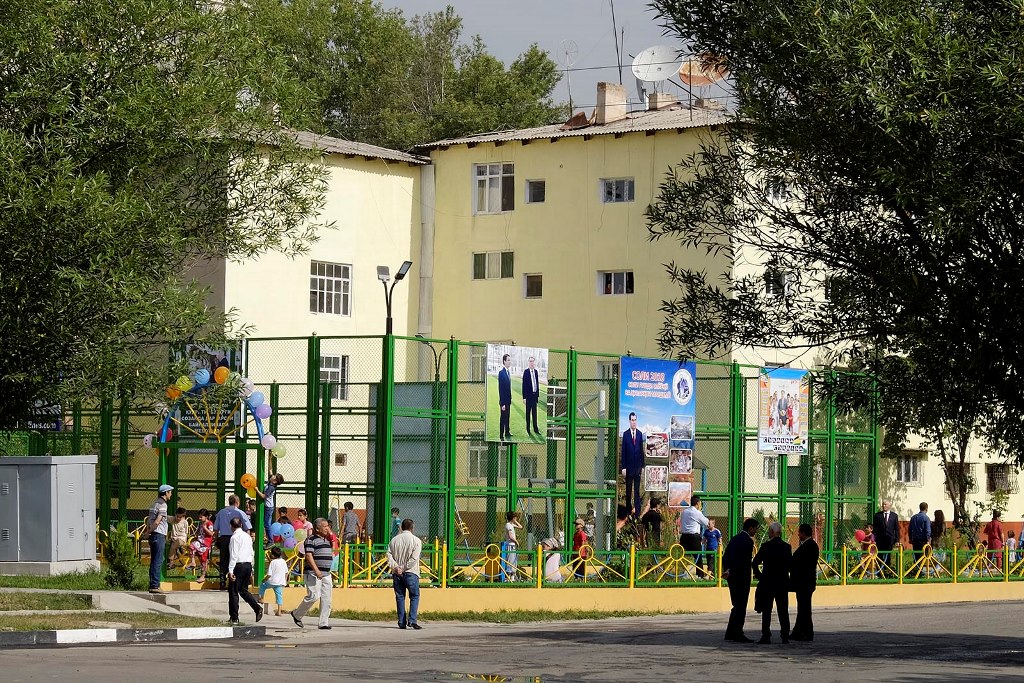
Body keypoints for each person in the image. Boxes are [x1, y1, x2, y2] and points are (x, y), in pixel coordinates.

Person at [291, 517, 334, 630]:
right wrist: (316, 570)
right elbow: (309, 556)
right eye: (325, 526)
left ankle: (323, 622)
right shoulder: (310, 539)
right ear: (317, 528)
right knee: (313, 596)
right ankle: (297, 614)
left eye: (328, 526)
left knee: (327, 599)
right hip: (313, 573)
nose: (327, 528)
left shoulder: (326, 540)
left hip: (326, 573)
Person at [752, 521, 792, 644]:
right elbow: (790, 565)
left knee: (767, 610)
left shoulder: (766, 546)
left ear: (772, 532)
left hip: (768, 582)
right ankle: (785, 635)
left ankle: (766, 635)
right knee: (783, 610)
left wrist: (761, 576)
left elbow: (755, 563)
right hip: (782, 583)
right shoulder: (786, 547)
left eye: (770, 531)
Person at [723, 518, 759, 642]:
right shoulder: (748, 542)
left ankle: (730, 632)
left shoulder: (734, 539)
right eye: (755, 529)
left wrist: (728, 570)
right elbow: (744, 562)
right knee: (741, 606)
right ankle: (738, 632)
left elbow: (726, 557)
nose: (756, 532)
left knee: (736, 605)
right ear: (750, 528)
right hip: (742, 578)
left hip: (732, 577)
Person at [387, 517, 423, 630]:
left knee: (400, 597)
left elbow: (389, 556)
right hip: (411, 572)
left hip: (397, 573)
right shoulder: (416, 541)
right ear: (412, 528)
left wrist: (396, 567)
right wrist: (403, 568)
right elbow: (414, 559)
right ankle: (412, 620)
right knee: (414, 595)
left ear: (402, 527)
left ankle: (401, 622)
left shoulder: (393, 540)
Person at [226, 517, 263, 624]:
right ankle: (257, 608)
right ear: (241, 525)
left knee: (233, 592)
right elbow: (251, 552)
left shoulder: (234, 538)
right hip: (247, 565)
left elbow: (234, 555)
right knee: (243, 590)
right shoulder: (247, 536)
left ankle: (234, 617)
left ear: (231, 526)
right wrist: (251, 567)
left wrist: (230, 570)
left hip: (238, 565)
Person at [213, 494, 252, 590]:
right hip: (237, 537)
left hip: (224, 538)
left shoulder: (221, 512)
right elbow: (247, 528)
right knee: (235, 558)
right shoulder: (240, 513)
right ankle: (234, 581)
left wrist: (216, 539)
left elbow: (216, 529)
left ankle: (222, 581)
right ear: (237, 502)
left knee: (224, 560)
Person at [790, 522, 819, 642]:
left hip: (805, 582)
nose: (798, 535)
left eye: (799, 532)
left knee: (805, 609)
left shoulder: (810, 546)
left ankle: (807, 632)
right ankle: (798, 631)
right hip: (804, 582)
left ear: (803, 533)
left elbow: (803, 564)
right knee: (802, 608)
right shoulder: (809, 545)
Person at [145, 484, 174, 594]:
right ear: (166, 493)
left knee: (154, 560)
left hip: (153, 535)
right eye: (170, 492)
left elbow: (149, 520)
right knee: (158, 560)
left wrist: (148, 532)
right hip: (158, 534)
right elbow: (157, 521)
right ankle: (155, 585)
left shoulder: (154, 503)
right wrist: (148, 532)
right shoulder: (163, 505)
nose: (171, 494)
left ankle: (152, 584)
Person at [620, 412, 645, 517]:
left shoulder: (639, 434)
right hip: (628, 469)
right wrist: (623, 467)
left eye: (635, 420)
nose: (634, 422)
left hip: (637, 468)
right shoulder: (625, 434)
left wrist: (642, 466)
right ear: (629, 421)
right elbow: (623, 452)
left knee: (637, 492)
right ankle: (628, 512)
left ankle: (637, 513)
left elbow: (641, 451)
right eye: (632, 420)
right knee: (628, 491)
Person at [680, 495, 710, 574]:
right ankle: (700, 575)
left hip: (684, 537)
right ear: (698, 503)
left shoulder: (684, 512)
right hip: (694, 538)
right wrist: (700, 511)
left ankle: (679, 573)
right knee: (698, 557)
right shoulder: (697, 513)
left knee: (681, 556)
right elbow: (707, 523)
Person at [186, 508, 215, 582]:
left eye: (201, 517)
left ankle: (203, 576)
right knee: (191, 546)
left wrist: (205, 528)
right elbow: (198, 532)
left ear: (206, 516)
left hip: (206, 544)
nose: (199, 518)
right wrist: (195, 536)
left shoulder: (209, 523)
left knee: (203, 560)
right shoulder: (200, 523)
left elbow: (211, 533)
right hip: (199, 541)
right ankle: (193, 562)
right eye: (199, 517)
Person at [259, 546, 288, 617]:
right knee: (279, 596)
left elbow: (269, 574)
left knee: (262, 585)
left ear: (273, 555)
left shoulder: (272, 562)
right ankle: (279, 611)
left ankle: (262, 599)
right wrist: (285, 581)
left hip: (272, 581)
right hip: (280, 582)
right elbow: (286, 572)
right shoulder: (283, 561)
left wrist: (264, 580)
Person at [257, 473, 284, 541]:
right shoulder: (271, 482)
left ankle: (270, 540)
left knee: (267, 524)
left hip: (268, 508)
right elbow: (270, 471)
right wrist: (270, 465)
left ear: (275, 481)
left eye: (274, 476)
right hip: (267, 506)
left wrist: (256, 490)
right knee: (264, 523)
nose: (272, 476)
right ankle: (266, 538)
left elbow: (263, 496)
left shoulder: (271, 488)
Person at [872, 500, 899, 566]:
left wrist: (897, 540)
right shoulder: (877, 515)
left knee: (888, 556)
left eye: (885, 504)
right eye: (883, 504)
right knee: (879, 555)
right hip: (880, 540)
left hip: (890, 540)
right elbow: (875, 528)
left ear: (889, 505)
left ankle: (887, 570)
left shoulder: (894, 516)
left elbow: (896, 529)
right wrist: (874, 539)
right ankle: (879, 570)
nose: (884, 506)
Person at [522, 355, 541, 437]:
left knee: (534, 414)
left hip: (534, 397)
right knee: (528, 414)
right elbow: (524, 385)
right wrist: (524, 398)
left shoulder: (536, 372)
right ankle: (528, 429)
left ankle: (536, 429)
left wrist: (537, 396)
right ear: (528, 362)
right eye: (530, 361)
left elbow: (537, 384)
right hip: (528, 397)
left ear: (534, 362)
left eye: (533, 361)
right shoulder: (526, 372)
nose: (532, 363)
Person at [502, 511, 523, 581]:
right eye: (515, 517)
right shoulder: (508, 525)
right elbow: (510, 536)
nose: (516, 518)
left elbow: (520, 527)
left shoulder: (511, 525)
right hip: (510, 545)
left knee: (514, 560)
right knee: (510, 560)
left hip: (512, 545)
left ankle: (512, 577)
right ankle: (508, 576)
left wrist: (515, 521)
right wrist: (516, 541)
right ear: (512, 518)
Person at [498, 353, 513, 440]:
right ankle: (501, 434)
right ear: (504, 361)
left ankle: (507, 432)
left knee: (507, 417)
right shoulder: (501, 373)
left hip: (508, 400)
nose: (509, 362)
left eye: (510, 360)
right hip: (504, 401)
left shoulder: (508, 372)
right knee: (503, 418)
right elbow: (501, 389)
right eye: (508, 360)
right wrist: (502, 403)